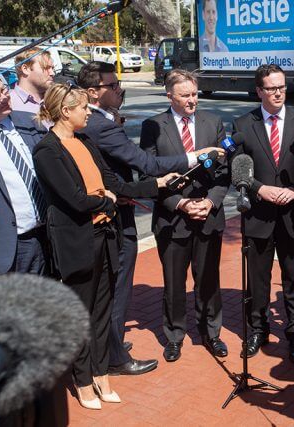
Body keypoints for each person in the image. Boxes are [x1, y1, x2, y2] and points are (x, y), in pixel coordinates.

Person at [31, 83, 177, 409]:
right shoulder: (47, 150)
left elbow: (112, 183)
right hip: (77, 244)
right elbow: (75, 200)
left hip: (104, 238)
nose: (88, 112)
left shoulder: (85, 141)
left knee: (101, 312)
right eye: (82, 107)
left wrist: (153, 185)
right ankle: (82, 379)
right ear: (65, 111)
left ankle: (100, 373)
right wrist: (107, 203)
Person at [77, 61, 202, 375]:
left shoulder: (101, 119)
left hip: (119, 204)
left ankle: (113, 342)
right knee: (118, 286)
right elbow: (144, 162)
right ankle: (114, 356)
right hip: (113, 212)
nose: (120, 89)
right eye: (113, 85)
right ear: (93, 92)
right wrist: (195, 157)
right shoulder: (99, 124)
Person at [140, 70, 229, 363]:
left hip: (207, 217)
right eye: (185, 95)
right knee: (174, 284)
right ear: (170, 97)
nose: (192, 100)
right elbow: (147, 174)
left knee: (208, 281)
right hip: (172, 220)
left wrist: (211, 202)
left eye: (194, 94)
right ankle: (175, 336)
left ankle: (211, 333)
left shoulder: (213, 123)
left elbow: (223, 172)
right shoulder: (153, 126)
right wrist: (179, 204)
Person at [232, 64, 294, 362]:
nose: (279, 92)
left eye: (282, 86)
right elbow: (237, 168)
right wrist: (258, 189)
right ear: (259, 91)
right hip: (258, 215)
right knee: (258, 279)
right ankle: (258, 329)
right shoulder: (243, 124)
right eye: (271, 88)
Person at [0, 71, 48, 276]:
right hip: (9, 244)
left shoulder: (28, 121)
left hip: (46, 235)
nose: (4, 97)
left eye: (4, 90)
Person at [9, 48, 55, 116]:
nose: (52, 73)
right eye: (46, 68)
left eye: (52, 68)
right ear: (25, 69)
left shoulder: (55, 100)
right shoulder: (7, 104)